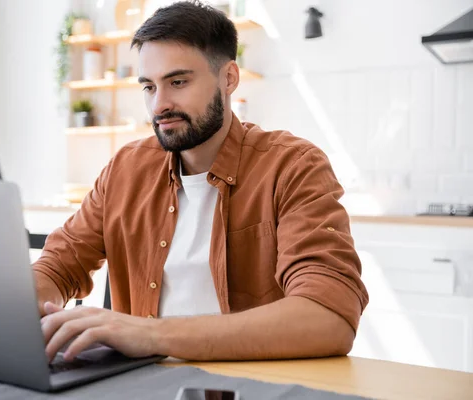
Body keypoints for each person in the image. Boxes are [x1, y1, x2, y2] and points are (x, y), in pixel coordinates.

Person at [35, 0, 368, 363]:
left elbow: (328, 317)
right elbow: (59, 265)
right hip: (147, 388)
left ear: (229, 78)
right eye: (149, 87)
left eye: (178, 82)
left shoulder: (293, 166)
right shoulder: (126, 169)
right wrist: (14, 304)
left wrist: (150, 335)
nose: (159, 105)